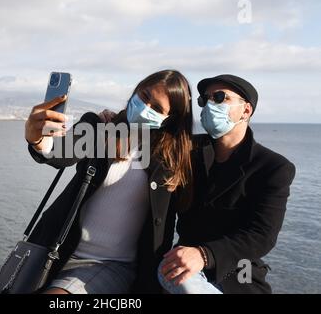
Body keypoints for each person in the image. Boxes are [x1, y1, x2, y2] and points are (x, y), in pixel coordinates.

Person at [24, 70, 194, 294]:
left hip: (109, 265)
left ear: (169, 119)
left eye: (157, 109)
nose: (145, 108)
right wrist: (38, 139)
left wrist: (202, 255)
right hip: (54, 250)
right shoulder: (99, 126)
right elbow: (59, 153)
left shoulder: (172, 160)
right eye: (144, 96)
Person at [158, 74, 296, 294]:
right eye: (205, 100)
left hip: (240, 271)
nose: (210, 105)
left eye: (220, 97)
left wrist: (204, 255)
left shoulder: (273, 167)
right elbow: (148, 143)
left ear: (246, 110)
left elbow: (262, 235)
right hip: (184, 264)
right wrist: (112, 121)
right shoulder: (188, 152)